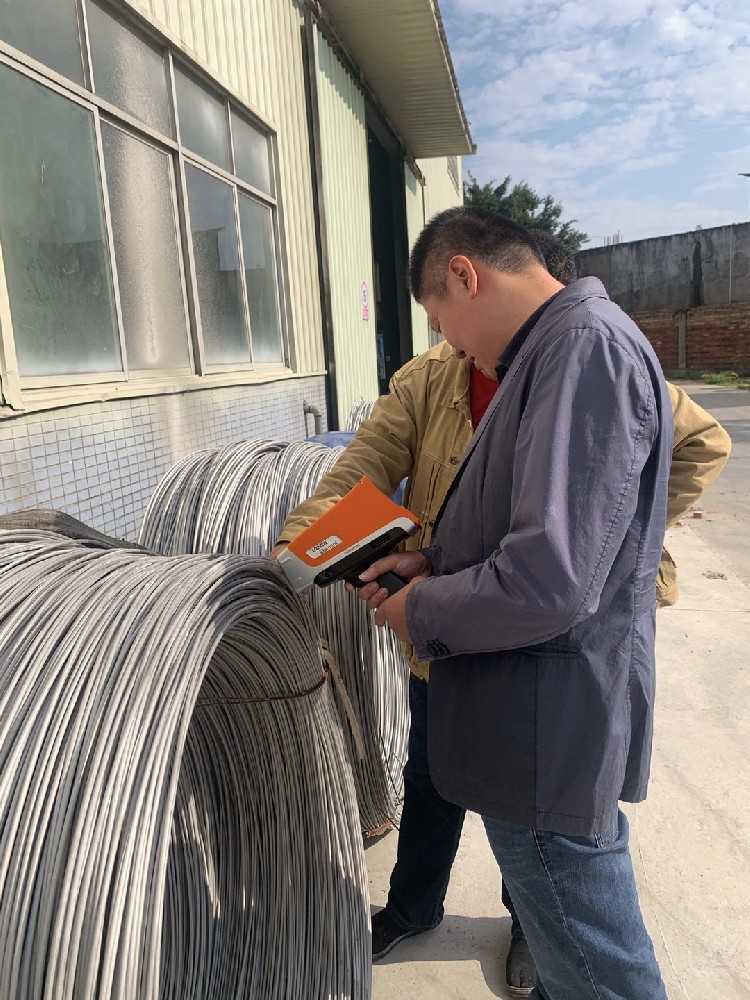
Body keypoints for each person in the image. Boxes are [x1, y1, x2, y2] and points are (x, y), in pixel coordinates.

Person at [274, 227, 730, 997]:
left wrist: (620, 541)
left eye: (441, 318)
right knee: (462, 805)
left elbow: (550, 577)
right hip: (482, 650)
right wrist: (321, 551)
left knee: (579, 927)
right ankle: (430, 911)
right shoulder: (477, 369)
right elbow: (369, 473)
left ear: (467, 276)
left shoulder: (580, 354)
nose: (449, 342)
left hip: (535, 689)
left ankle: (535, 942)